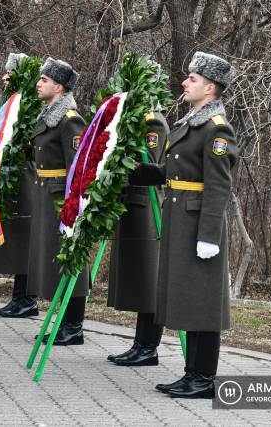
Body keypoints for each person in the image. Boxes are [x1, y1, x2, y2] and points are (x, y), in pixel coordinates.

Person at [130, 51, 237, 398]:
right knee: (189, 299)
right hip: (180, 220)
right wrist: (135, 172)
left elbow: (219, 185)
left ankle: (204, 378)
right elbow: (173, 173)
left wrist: (208, 236)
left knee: (203, 302)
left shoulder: (217, 129)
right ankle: (192, 373)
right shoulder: (192, 121)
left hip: (198, 225)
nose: (184, 82)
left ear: (210, 88)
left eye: (192, 79)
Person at [27, 58, 88, 345]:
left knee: (69, 258)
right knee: (55, 258)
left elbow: (77, 167)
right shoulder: (49, 114)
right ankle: (64, 321)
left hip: (59, 196)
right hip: (45, 191)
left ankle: (73, 325)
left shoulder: (70, 119)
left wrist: (73, 206)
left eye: (44, 80)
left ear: (59, 87)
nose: (39, 84)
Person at [106, 107, 169, 365]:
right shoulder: (135, 118)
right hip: (131, 204)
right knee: (139, 282)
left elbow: (149, 167)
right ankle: (139, 344)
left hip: (146, 205)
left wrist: (114, 164)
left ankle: (148, 346)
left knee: (149, 281)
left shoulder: (153, 123)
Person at [0, 53, 38, 318]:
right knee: (18, 240)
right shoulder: (12, 103)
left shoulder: (28, 105)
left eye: (10, 74)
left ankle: (27, 297)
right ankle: (19, 296)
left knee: (25, 238)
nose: (5, 78)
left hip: (27, 177)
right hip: (13, 177)